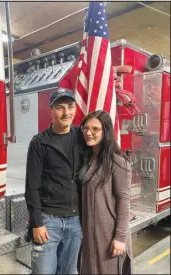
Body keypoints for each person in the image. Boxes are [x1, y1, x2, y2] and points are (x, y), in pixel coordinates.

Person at [25, 87, 82, 274]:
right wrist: (37, 223)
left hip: (76, 222)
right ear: (50, 111)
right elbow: (32, 186)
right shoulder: (39, 142)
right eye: (60, 107)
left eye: (70, 107)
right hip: (49, 222)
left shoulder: (82, 137)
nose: (66, 112)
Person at [78, 110, 133, 274]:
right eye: (86, 128)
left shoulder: (118, 161)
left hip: (109, 235)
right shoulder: (87, 158)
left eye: (95, 129)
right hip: (89, 234)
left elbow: (124, 201)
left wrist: (120, 238)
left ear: (106, 131)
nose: (89, 132)